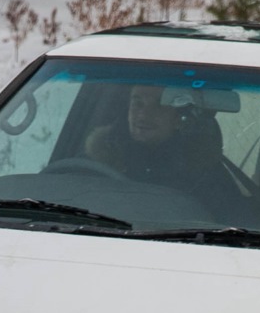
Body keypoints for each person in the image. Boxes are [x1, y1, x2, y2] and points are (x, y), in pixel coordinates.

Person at [84, 84, 249, 218]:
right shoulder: (94, 160)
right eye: (137, 103)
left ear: (179, 119)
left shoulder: (206, 177)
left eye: (159, 105)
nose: (143, 115)